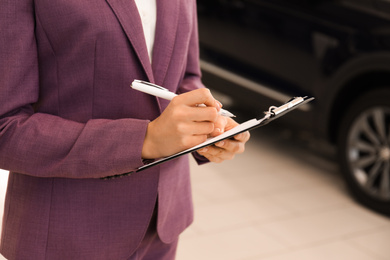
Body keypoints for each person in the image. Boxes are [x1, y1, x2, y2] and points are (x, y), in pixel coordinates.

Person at [0, 0, 250, 259]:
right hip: (69, 232)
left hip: (161, 225)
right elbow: (5, 127)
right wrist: (145, 139)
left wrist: (206, 126)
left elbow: (185, 76)